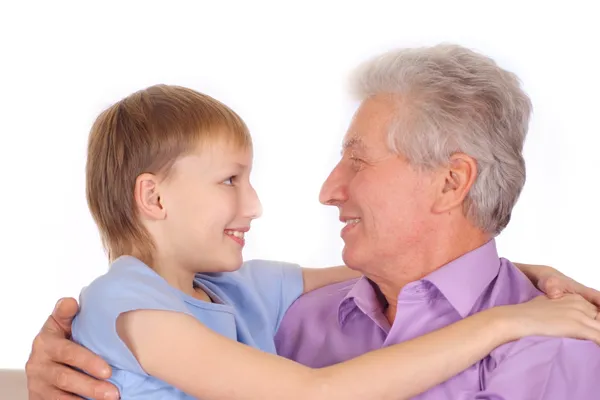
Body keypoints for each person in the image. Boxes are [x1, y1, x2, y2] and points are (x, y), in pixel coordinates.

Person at [25, 55, 600, 400]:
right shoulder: (152, 309)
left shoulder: (244, 294)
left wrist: (525, 277)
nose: (327, 190)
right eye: (230, 181)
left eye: (360, 159)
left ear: (452, 183)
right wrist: (503, 319)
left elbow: (432, 273)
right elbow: (313, 396)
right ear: (152, 196)